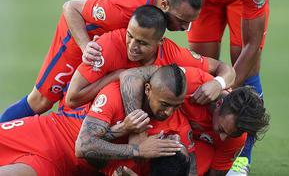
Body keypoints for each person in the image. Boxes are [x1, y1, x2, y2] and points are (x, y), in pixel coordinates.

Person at [0, 0, 202, 121]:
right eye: (183, 21)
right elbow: (71, 7)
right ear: (164, 4)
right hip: (83, 39)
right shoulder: (125, 9)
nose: (185, 29)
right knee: (41, 101)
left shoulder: (153, 15)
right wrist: (85, 45)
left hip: (112, 46)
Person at [0, 64, 192, 175]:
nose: (169, 112)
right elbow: (83, 146)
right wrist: (137, 148)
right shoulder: (117, 94)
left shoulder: (139, 166)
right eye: (165, 104)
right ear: (148, 90)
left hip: (56, 166)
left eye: (176, 106)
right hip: (43, 135)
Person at [65, 5, 235, 111]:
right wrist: (117, 76)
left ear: (160, 41)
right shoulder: (107, 46)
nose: (132, 46)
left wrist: (217, 83)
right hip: (91, 119)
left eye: (142, 43)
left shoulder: (172, 53)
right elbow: (72, 99)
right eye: (130, 36)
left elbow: (226, 69)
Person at [118, 65, 270, 175]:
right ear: (219, 104)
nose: (223, 138)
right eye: (222, 129)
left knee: (194, 158)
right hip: (152, 126)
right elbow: (129, 76)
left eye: (232, 134)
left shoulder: (236, 137)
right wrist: (137, 131)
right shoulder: (192, 83)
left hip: (191, 149)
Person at [186, 0, 270, 174]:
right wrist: (215, 82)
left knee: (248, 70)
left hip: (241, 1)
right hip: (204, 0)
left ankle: (242, 157)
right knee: (202, 69)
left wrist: (224, 86)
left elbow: (252, 44)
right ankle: (202, 143)